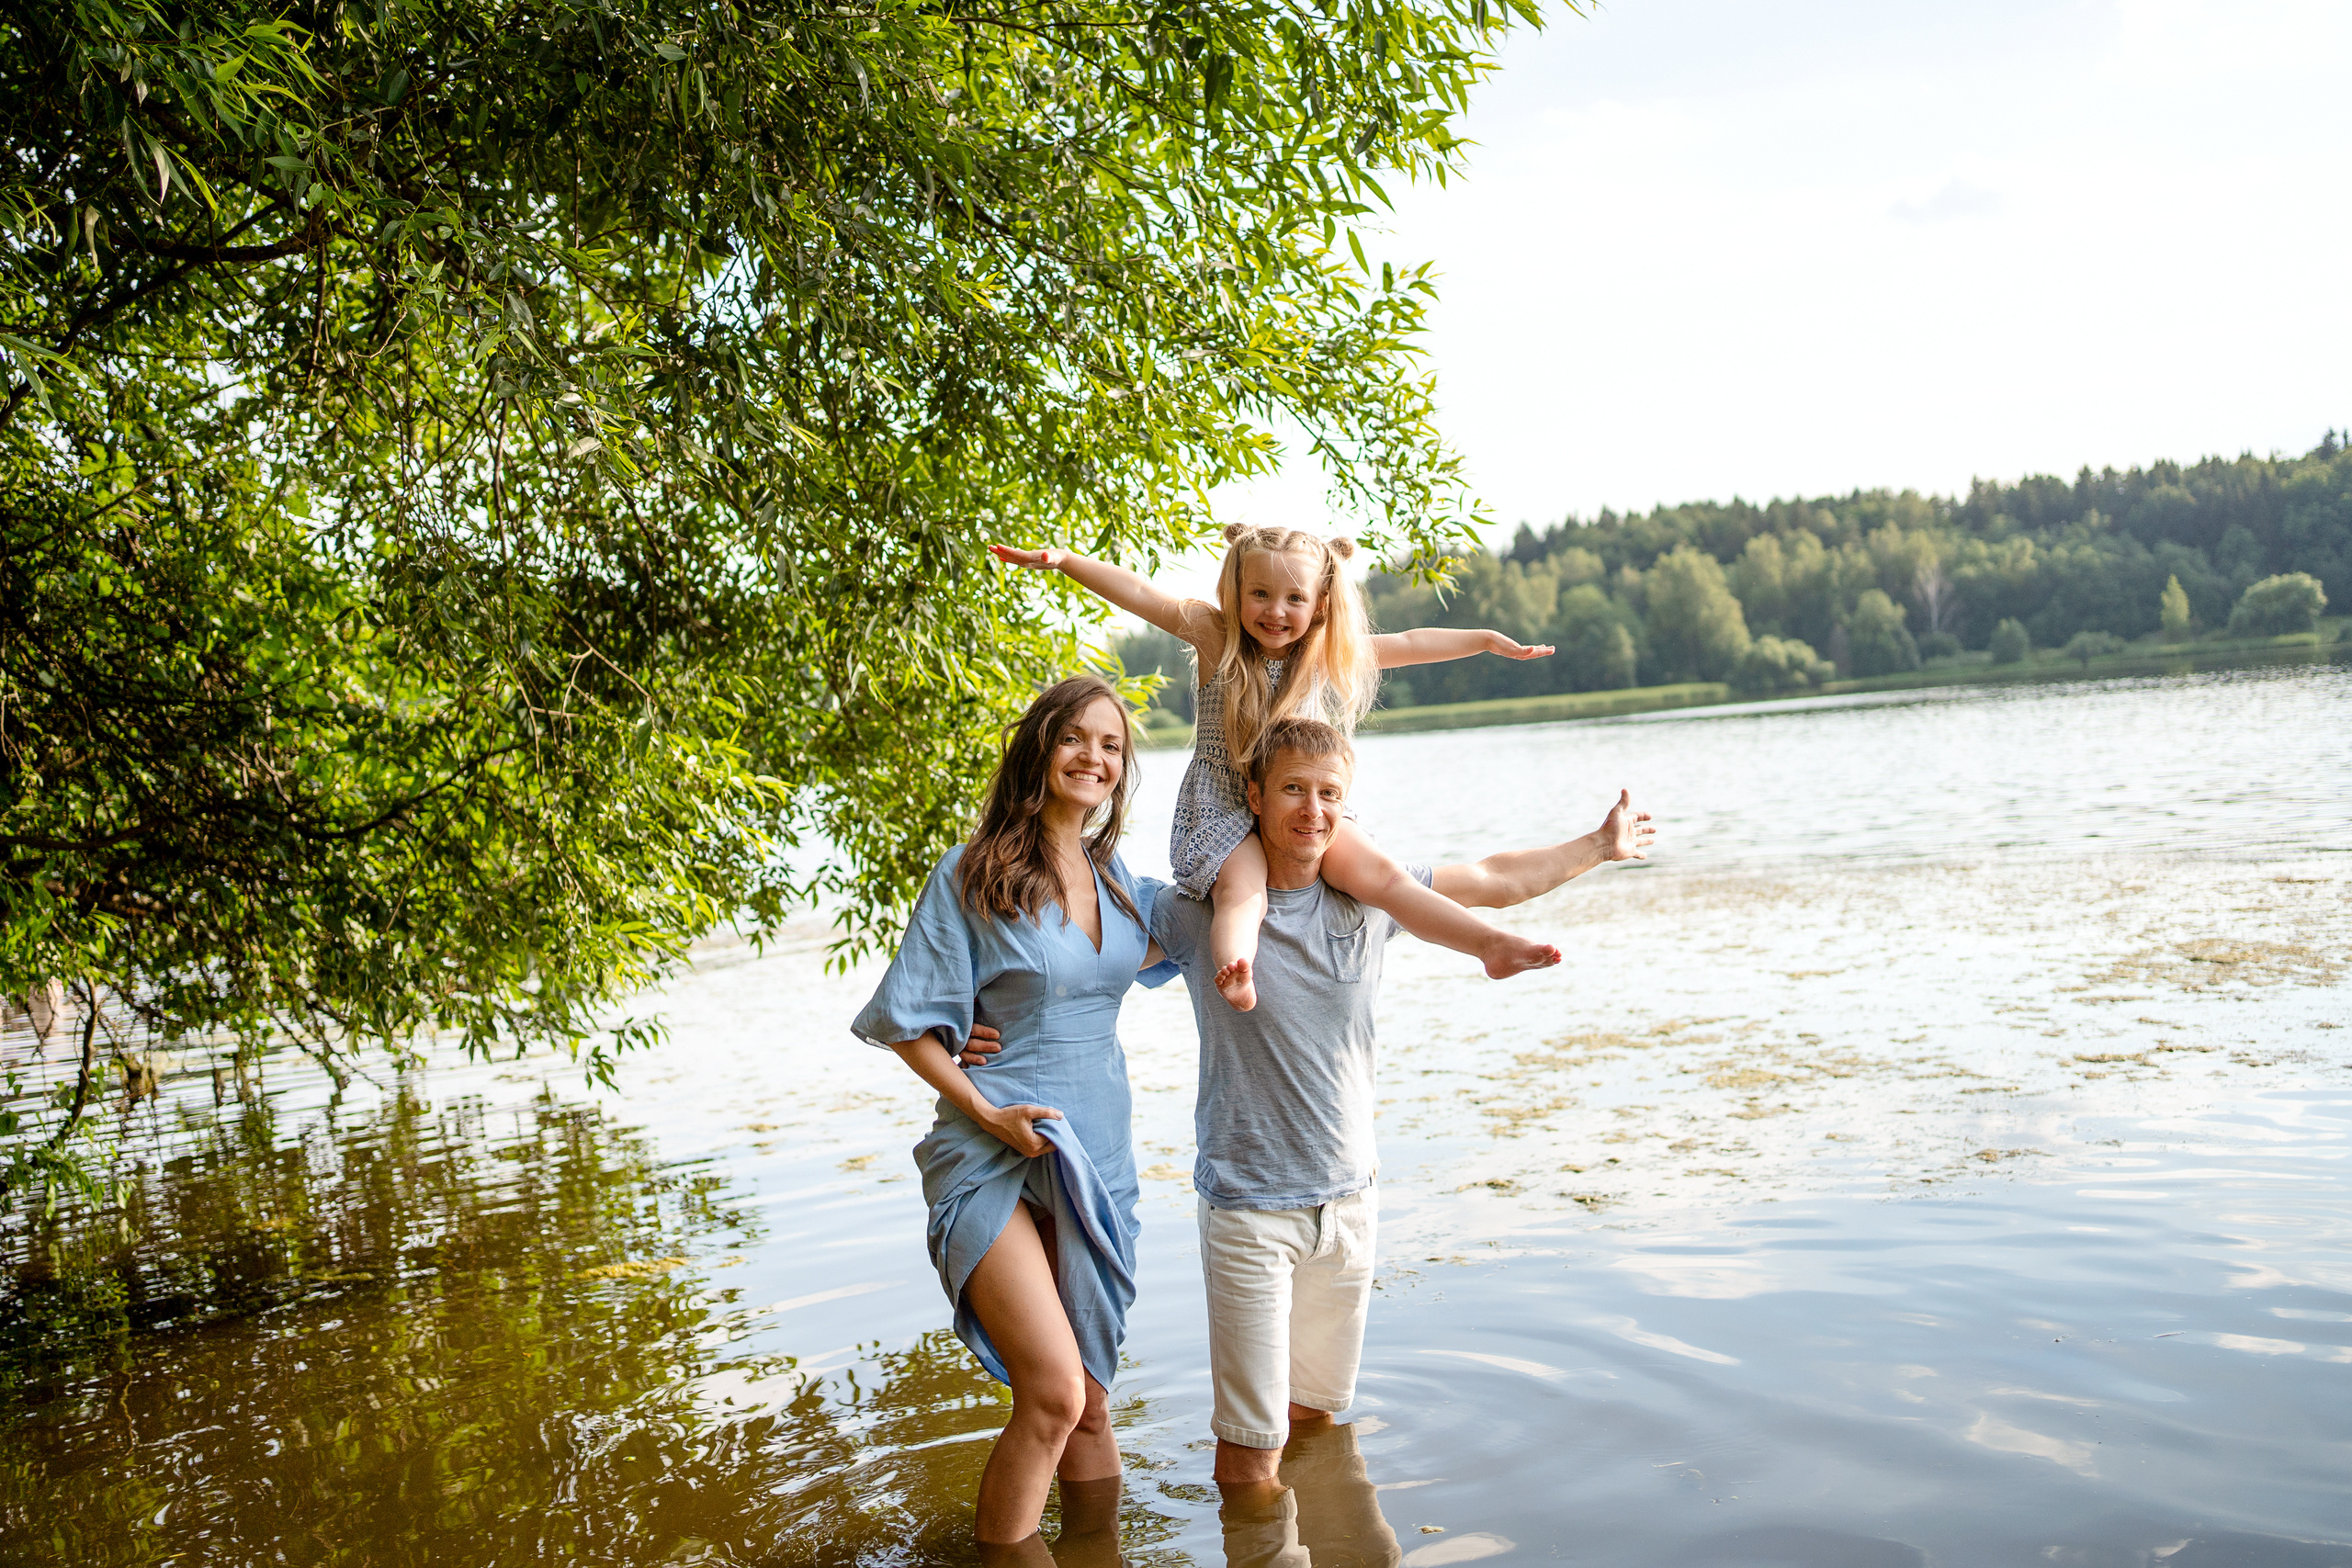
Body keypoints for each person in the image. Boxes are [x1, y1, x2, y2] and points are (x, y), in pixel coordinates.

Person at [1148, 716, 1656, 1485]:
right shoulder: (1199, 914)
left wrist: (1597, 845)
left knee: (1315, 1420)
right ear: (1253, 794)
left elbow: (1492, 877)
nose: (1311, 811)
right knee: (1251, 1460)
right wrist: (979, 1022)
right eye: (1292, 789)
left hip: (1350, 1204)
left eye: (1328, 795)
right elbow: (1080, 943)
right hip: (1249, 1208)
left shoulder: (1368, 900)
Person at [849, 674, 1180, 1560]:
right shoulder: (972, 871)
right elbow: (906, 1023)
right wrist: (982, 1105)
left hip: (1096, 1155)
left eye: (1112, 746)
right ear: (1039, 749)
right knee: (1053, 1392)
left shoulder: (1122, 886)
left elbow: (1232, 888)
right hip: (992, 1150)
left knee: (1093, 1398)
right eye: (1076, 738)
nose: (1095, 758)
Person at [989, 528, 1562, 1013]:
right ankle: (1237, 966)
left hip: (1298, 804)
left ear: (1319, 603)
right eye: (1260, 594)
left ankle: (1487, 944)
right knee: (1244, 891)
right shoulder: (1218, 640)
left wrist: (1485, 640)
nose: (1276, 611)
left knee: (1385, 878)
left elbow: (1411, 641)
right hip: (1221, 805)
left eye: (1294, 598)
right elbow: (1141, 592)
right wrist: (1065, 561)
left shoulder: (1323, 651)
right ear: (1236, 592)